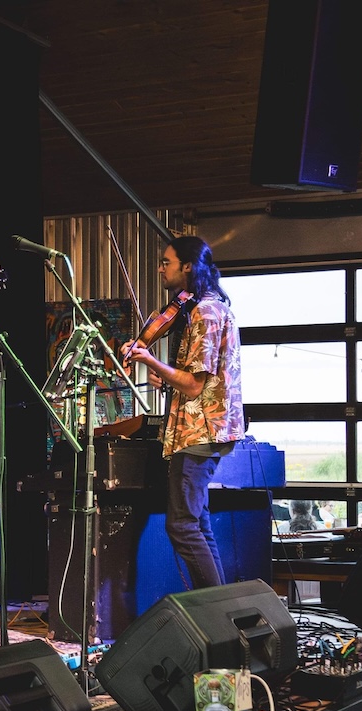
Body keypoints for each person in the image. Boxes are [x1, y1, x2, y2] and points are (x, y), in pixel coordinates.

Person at [122, 236, 244, 588]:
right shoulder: (206, 307)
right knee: (197, 523)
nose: (161, 268)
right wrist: (165, 375)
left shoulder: (204, 311)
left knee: (182, 525)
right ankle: (217, 604)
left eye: (166, 262)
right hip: (204, 428)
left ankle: (214, 608)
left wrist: (150, 360)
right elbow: (195, 378)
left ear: (188, 266)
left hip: (199, 430)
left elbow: (193, 385)